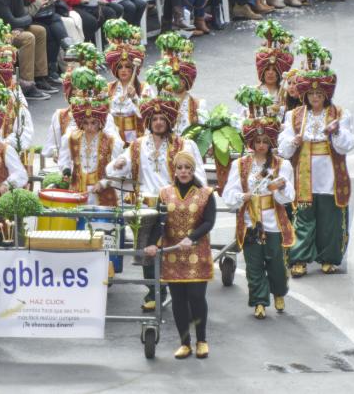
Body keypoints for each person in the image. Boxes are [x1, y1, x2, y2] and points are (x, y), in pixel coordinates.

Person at [106, 91, 206, 311]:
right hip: (148, 206)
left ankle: (181, 291)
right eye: (155, 119)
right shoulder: (138, 145)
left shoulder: (183, 145)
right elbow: (114, 168)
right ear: (149, 122)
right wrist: (118, 165)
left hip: (176, 204)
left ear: (169, 122)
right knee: (148, 250)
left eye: (163, 119)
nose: (159, 123)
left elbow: (199, 175)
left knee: (178, 250)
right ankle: (154, 292)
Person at [277, 51, 354, 276]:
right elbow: (283, 148)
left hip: (330, 174)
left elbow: (347, 145)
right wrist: (294, 141)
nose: (315, 99)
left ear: (326, 95)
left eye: (319, 94)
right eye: (311, 95)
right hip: (303, 173)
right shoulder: (294, 115)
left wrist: (337, 131)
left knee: (330, 217)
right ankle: (299, 259)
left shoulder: (340, 113)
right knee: (303, 216)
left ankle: (329, 258)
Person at [223, 110, 296, 319]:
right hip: (250, 222)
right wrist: (242, 196)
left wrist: (279, 188)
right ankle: (260, 302)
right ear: (251, 143)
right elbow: (229, 193)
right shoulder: (240, 165)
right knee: (253, 265)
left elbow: (288, 197)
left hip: (274, 223)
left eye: (265, 141)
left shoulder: (283, 165)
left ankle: (279, 292)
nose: (261, 145)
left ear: (271, 142)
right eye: (257, 141)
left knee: (276, 265)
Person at [144, 151, 215, 359]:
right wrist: (152, 244)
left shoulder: (205, 194)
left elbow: (209, 222)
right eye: (180, 168)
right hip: (173, 254)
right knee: (178, 300)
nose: (183, 172)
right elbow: (159, 223)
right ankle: (185, 343)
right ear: (174, 171)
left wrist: (191, 238)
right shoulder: (165, 193)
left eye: (188, 168)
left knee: (196, 297)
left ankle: (201, 340)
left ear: (193, 171)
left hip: (196, 253)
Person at [104, 38, 145, 144]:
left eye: (127, 67)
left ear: (133, 69)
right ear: (116, 70)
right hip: (113, 134)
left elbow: (147, 113)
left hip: (134, 134)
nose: (123, 70)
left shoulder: (144, 88)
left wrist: (135, 98)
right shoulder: (108, 88)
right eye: (120, 67)